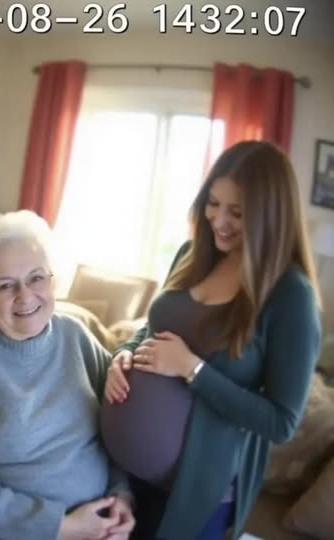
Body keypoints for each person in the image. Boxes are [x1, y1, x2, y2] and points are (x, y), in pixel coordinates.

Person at [101, 140, 322, 540]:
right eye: (213, 203)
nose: (219, 220)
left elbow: (281, 422)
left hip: (197, 490)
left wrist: (193, 369)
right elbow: (152, 329)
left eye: (237, 212)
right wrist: (124, 354)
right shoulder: (192, 254)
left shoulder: (291, 294)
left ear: (270, 215)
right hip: (122, 476)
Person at [0, 210, 135, 540]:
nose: (25, 295)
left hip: (98, 527)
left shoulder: (75, 335)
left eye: (36, 278)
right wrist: (59, 527)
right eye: (5, 285)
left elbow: (117, 428)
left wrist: (121, 498)